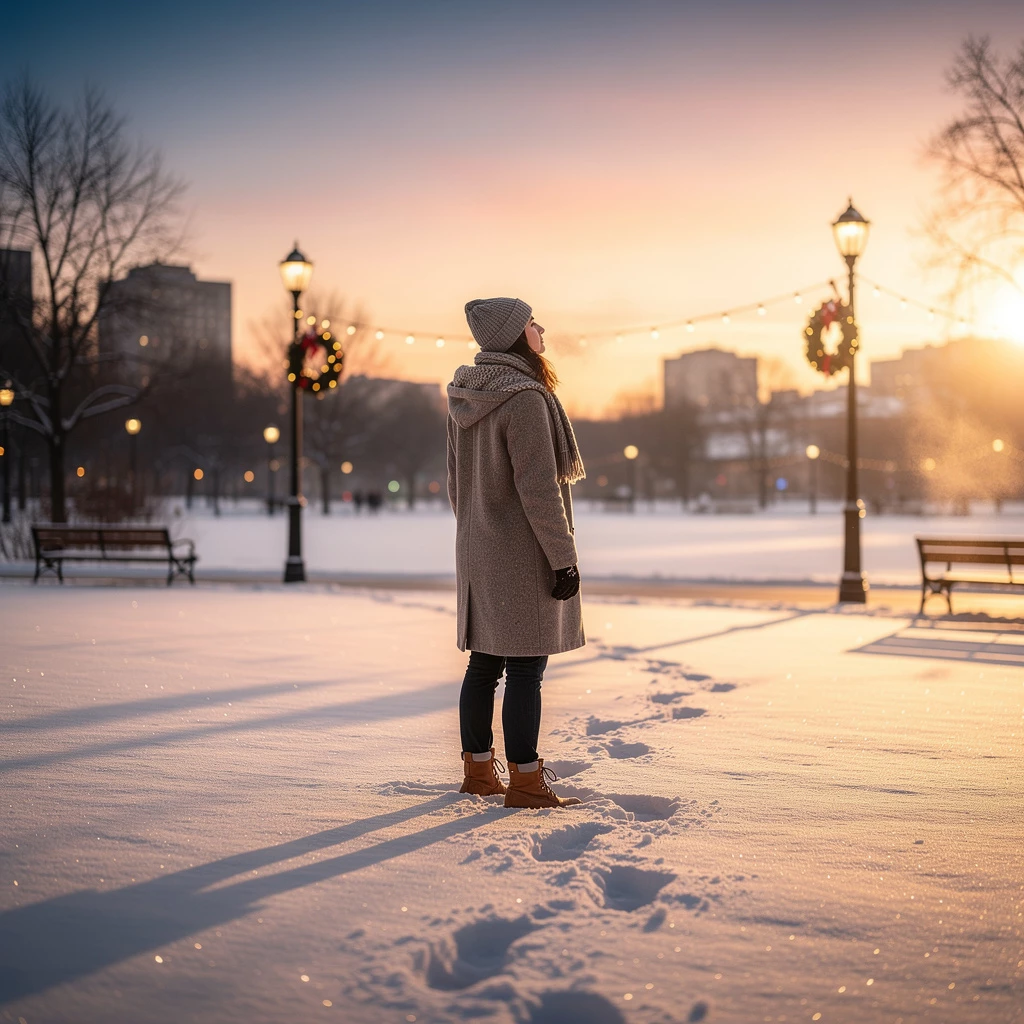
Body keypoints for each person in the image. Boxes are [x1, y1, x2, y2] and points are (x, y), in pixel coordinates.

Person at [447, 297, 586, 809]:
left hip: (478, 549)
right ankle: (526, 783)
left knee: (484, 666)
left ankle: (479, 774)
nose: (540, 327)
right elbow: (539, 490)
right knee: (526, 669)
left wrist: (479, 532)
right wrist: (563, 558)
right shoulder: (525, 398)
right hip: (523, 554)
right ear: (512, 334)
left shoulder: (465, 394)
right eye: (530, 322)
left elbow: (456, 485)